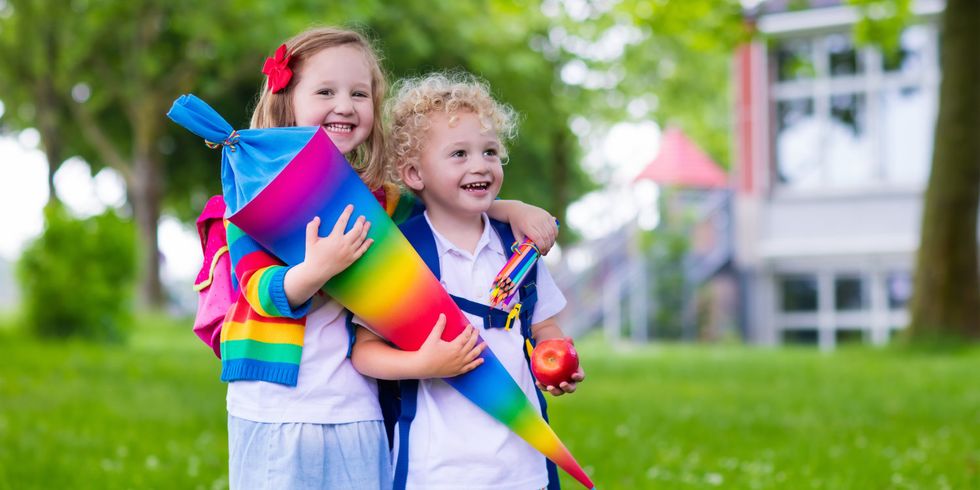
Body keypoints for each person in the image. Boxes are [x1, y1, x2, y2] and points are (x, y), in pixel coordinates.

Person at [223, 28, 559, 489]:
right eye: (326, 91)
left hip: (357, 403)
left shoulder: (384, 201)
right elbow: (258, 291)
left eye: (359, 93)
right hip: (274, 404)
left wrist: (510, 209)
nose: (345, 105)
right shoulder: (251, 194)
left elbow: (444, 198)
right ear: (288, 101)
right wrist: (316, 269)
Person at [351, 71, 585, 490]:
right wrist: (423, 365)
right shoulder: (401, 257)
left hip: (523, 465)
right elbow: (365, 353)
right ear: (415, 175)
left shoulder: (519, 247)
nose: (480, 164)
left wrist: (558, 357)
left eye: (490, 152)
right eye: (459, 153)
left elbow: (544, 327)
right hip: (436, 468)